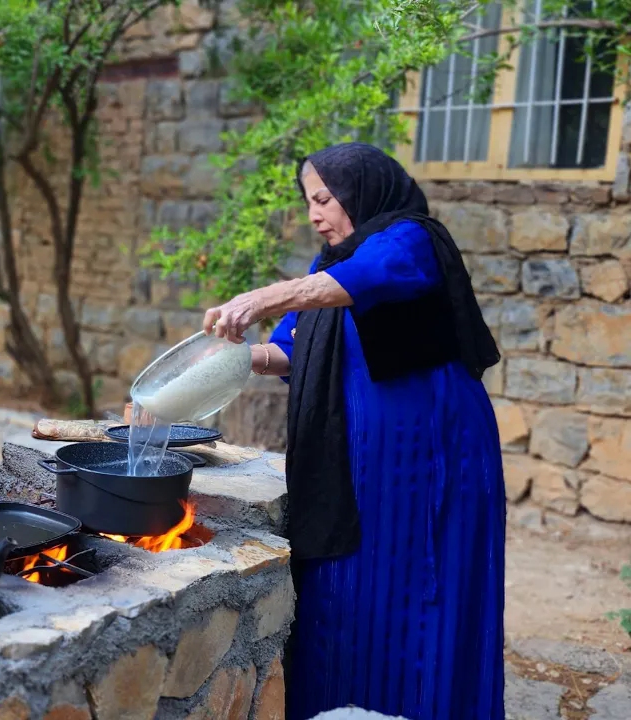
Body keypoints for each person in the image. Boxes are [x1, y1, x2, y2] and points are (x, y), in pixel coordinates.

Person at [202, 143, 505, 720]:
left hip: (430, 455)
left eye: (323, 199)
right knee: (344, 591)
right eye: (308, 202)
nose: (315, 213)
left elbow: (366, 279)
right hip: (350, 460)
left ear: (360, 192)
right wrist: (232, 361)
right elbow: (288, 347)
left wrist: (260, 297)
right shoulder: (325, 269)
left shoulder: (411, 238)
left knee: (422, 588)